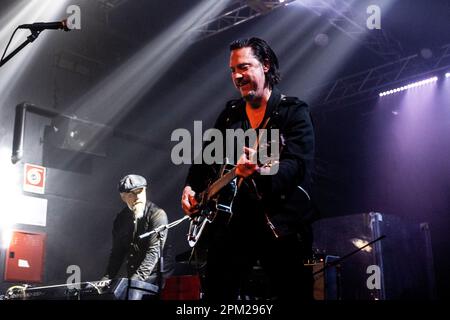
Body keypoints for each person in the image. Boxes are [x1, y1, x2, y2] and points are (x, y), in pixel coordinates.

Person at [181, 37, 316, 301]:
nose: (237, 76)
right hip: (233, 222)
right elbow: (204, 158)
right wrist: (190, 187)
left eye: (243, 67)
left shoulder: (293, 112)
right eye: (233, 70)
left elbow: (297, 166)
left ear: (265, 65)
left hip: (279, 225)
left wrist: (262, 172)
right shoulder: (231, 114)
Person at [103, 174, 168, 293]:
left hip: (157, 281)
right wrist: (106, 279)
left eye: (141, 192)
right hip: (136, 279)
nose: (138, 197)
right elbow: (117, 254)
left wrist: (132, 284)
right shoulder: (120, 220)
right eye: (131, 194)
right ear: (123, 197)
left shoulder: (157, 215)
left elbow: (152, 254)